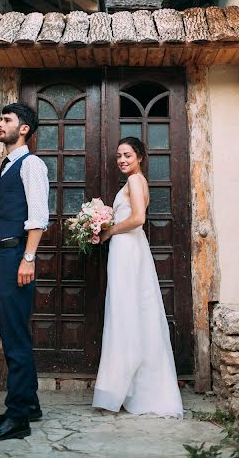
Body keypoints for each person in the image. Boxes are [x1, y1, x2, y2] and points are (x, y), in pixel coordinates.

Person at [0, 103, 49, 441]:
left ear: (24, 130)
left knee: (15, 338)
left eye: (7, 120)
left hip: (16, 254)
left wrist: (26, 259)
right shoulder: (7, 165)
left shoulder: (31, 164)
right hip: (1, 256)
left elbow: (38, 215)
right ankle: (29, 404)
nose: (0, 124)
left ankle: (17, 417)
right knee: (13, 332)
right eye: (1, 118)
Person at [92, 137, 183, 418]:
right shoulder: (137, 181)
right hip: (129, 248)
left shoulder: (134, 181)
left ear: (140, 156)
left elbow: (139, 219)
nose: (122, 160)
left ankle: (122, 389)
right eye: (119, 155)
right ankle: (126, 386)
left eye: (128, 155)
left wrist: (108, 231)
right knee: (131, 313)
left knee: (124, 313)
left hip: (128, 248)